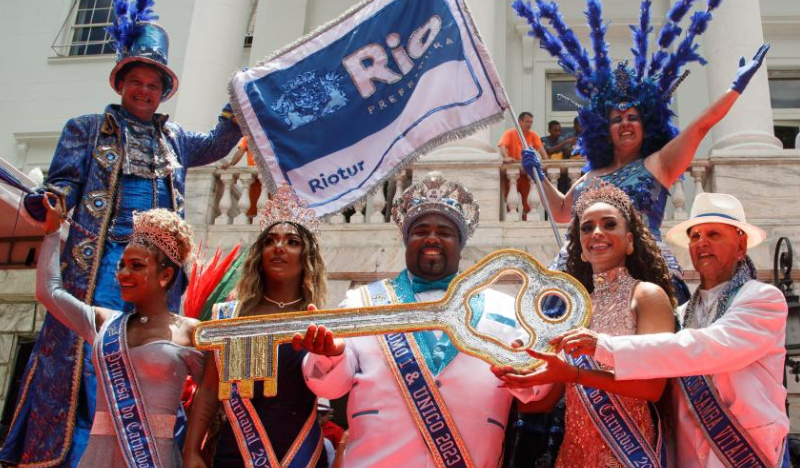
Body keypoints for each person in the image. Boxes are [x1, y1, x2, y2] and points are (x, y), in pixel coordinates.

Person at [0, 0, 242, 465]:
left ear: (164, 91)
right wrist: (46, 204)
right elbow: (61, 186)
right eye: (137, 82)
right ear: (121, 84)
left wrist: (241, 103)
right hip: (102, 269)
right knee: (95, 363)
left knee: (150, 364)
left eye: (154, 85)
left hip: (159, 276)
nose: (144, 91)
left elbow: (218, 141)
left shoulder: (175, 139)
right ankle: (81, 455)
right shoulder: (85, 129)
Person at [514, 0, 770, 305]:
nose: (625, 123)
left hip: (641, 271)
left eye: (633, 117)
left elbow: (700, 127)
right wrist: (537, 174)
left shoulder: (658, 164)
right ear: (603, 130)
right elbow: (562, 212)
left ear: (646, 124)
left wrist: (735, 90)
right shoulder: (591, 175)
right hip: (580, 273)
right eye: (616, 118)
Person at [294, 172, 538, 468]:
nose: (432, 237)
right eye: (420, 230)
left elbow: (534, 393)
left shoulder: (507, 308)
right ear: (406, 241)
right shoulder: (363, 302)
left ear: (460, 244)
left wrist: (535, 368)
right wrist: (329, 356)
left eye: (444, 232)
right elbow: (329, 388)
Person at [549, 192, 789, 468]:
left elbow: (711, 346)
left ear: (741, 244)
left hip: (747, 456)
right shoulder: (682, 315)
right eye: (695, 236)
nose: (702, 243)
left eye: (714, 234)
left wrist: (604, 346)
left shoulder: (763, 299)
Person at [494, 182, 675, 467]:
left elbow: (652, 387)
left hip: (627, 453)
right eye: (587, 228)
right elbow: (544, 402)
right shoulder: (575, 310)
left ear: (629, 241)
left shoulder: (647, 295)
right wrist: (518, 373)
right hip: (573, 455)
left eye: (609, 224)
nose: (597, 233)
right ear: (580, 248)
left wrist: (575, 374)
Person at [34, 196, 203, 468]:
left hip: (154, 457)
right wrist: (52, 233)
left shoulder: (191, 331)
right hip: (98, 457)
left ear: (165, 276)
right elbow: (49, 292)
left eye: (136, 266)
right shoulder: (103, 322)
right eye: (121, 265)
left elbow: (212, 398)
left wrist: (195, 450)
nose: (123, 273)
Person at [183, 184, 327, 468]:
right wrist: (191, 449)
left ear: (307, 257)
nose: (279, 247)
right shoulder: (232, 317)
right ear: (259, 254)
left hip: (302, 456)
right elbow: (210, 389)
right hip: (237, 453)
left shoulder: (317, 321)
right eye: (270, 240)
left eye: (292, 241)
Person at [498, 112, 546, 219]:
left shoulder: (533, 135)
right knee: (511, 205)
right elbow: (502, 146)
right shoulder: (510, 133)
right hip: (512, 173)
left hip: (526, 175)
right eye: (527, 121)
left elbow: (542, 151)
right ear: (519, 122)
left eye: (531, 122)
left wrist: (546, 163)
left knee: (529, 204)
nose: (529, 124)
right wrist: (506, 157)